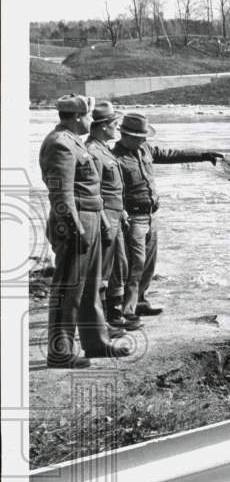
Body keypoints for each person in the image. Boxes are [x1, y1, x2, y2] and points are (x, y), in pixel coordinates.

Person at [39, 95, 133, 368]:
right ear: (79, 116)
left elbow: (89, 190)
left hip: (89, 218)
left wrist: (100, 220)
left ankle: (96, 343)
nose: (92, 122)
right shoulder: (60, 144)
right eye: (90, 116)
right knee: (67, 289)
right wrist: (74, 228)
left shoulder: (73, 141)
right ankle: (60, 352)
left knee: (90, 287)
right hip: (74, 221)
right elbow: (61, 193)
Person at [112, 113, 224, 317]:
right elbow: (111, 191)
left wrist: (204, 155)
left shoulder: (145, 149)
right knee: (135, 264)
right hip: (133, 218)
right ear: (125, 135)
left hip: (151, 215)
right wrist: (121, 214)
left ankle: (141, 302)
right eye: (139, 136)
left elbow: (172, 154)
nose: (144, 140)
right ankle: (127, 311)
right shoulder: (115, 157)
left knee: (149, 263)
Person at [85, 101, 141, 334]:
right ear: (103, 126)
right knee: (105, 271)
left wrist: (123, 211)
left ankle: (114, 314)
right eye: (114, 124)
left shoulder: (103, 148)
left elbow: (113, 187)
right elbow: (94, 190)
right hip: (105, 217)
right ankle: (106, 320)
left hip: (116, 215)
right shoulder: (93, 151)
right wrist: (106, 221)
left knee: (120, 266)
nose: (116, 129)